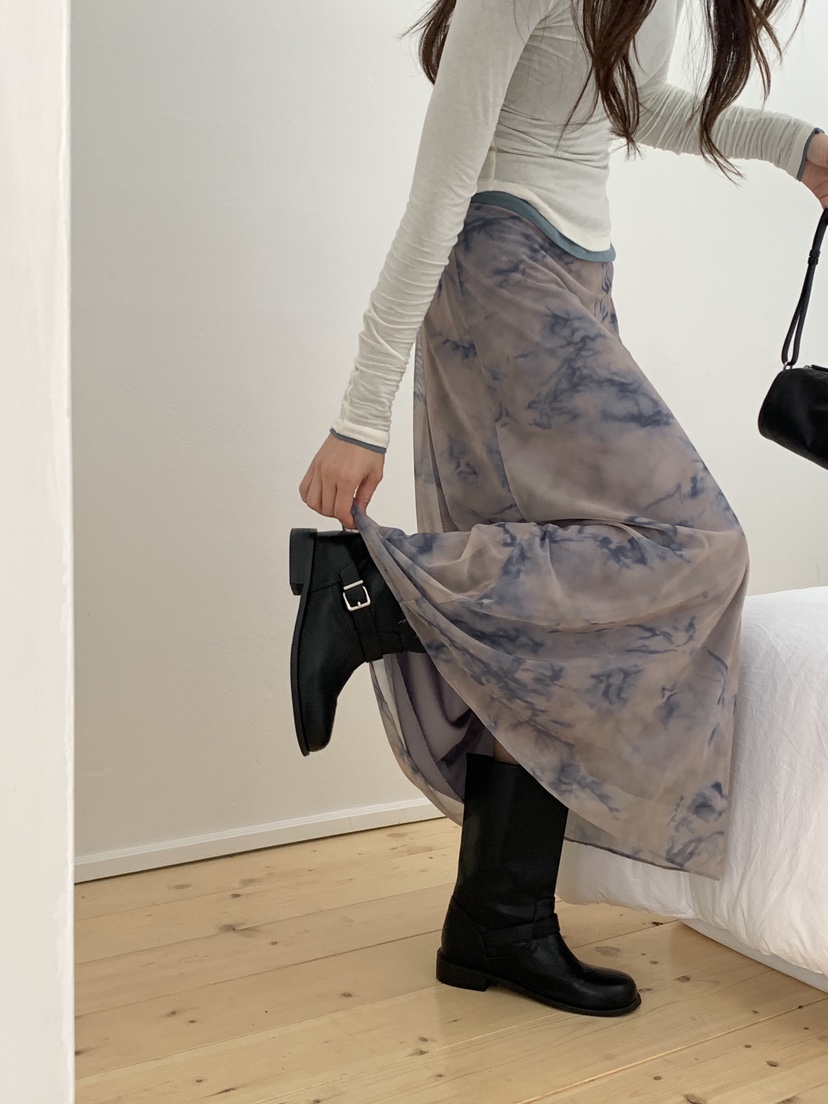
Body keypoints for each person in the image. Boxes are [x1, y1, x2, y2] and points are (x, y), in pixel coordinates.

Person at [290, 0, 827, 1017]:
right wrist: (360, 415)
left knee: (559, 618)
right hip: (499, 271)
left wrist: (791, 144)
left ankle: (497, 921)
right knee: (697, 544)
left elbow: (630, 102)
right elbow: (439, 190)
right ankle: (377, 596)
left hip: (573, 274)